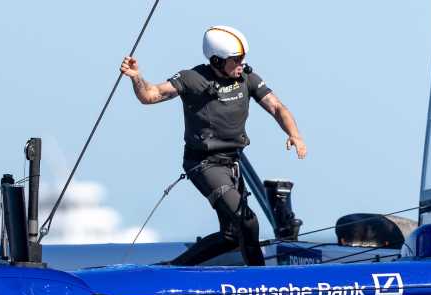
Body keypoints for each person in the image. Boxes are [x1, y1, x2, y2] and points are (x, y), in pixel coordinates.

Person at [121, 26, 307, 266]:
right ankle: (260, 279)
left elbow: (277, 107)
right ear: (217, 60)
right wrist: (136, 77)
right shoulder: (192, 78)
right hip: (204, 164)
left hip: (233, 163)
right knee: (247, 221)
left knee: (231, 236)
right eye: (236, 59)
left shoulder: (247, 78)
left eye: (243, 58)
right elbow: (150, 95)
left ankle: (172, 269)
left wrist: (295, 135)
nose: (241, 64)